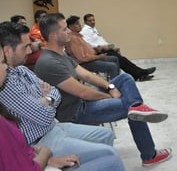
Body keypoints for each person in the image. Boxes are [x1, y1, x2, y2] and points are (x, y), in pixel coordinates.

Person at [35, 13, 172, 166]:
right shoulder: (49, 62)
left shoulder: (60, 55)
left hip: (83, 103)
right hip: (76, 112)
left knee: (126, 79)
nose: (69, 31)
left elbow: (85, 75)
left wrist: (110, 86)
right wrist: (108, 96)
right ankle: (149, 155)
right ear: (53, 35)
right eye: (65, 29)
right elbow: (82, 91)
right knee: (131, 110)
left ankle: (137, 107)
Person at [0, 21, 126, 171]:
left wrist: (46, 100)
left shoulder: (23, 69)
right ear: (7, 51)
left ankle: (135, 107)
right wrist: (108, 95)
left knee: (106, 135)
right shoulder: (7, 83)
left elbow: (54, 92)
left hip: (56, 125)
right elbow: (44, 115)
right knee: (110, 155)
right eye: (25, 47)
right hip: (44, 137)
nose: (30, 51)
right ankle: (134, 108)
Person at [80, 13, 155, 82]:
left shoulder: (93, 29)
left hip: (106, 49)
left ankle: (140, 74)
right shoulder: (85, 31)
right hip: (99, 51)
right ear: (85, 22)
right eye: (90, 21)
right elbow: (89, 44)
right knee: (121, 59)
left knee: (122, 59)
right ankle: (141, 74)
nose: (92, 22)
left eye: (93, 20)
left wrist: (111, 46)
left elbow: (101, 40)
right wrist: (102, 47)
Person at [65, 15, 120, 80]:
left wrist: (97, 49)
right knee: (112, 66)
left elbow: (86, 50)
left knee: (114, 58)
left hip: (90, 59)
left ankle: (115, 81)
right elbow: (82, 58)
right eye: (77, 24)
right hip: (84, 64)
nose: (80, 25)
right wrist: (98, 57)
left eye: (79, 23)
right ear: (71, 27)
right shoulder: (73, 39)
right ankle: (112, 87)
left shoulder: (78, 36)